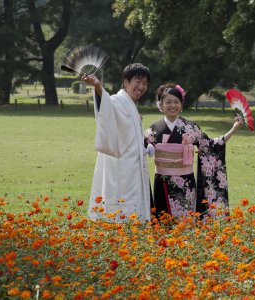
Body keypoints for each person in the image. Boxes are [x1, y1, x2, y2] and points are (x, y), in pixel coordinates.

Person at [145, 83, 243, 219]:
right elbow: (140, 148)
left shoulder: (191, 128)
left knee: (186, 222)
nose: (172, 105)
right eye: (168, 102)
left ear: (181, 105)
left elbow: (210, 145)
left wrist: (234, 129)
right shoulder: (153, 129)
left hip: (185, 183)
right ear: (161, 105)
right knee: (163, 221)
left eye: (176, 102)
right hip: (162, 183)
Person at [82, 63, 152, 223]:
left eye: (145, 83)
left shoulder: (130, 104)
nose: (141, 87)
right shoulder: (116, 101)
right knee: (120, 209)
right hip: (120, 167)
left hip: (134, 167)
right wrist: (98, 86)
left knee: (133, 210)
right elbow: (105, 105)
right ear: (126, 82)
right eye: (138, 81)